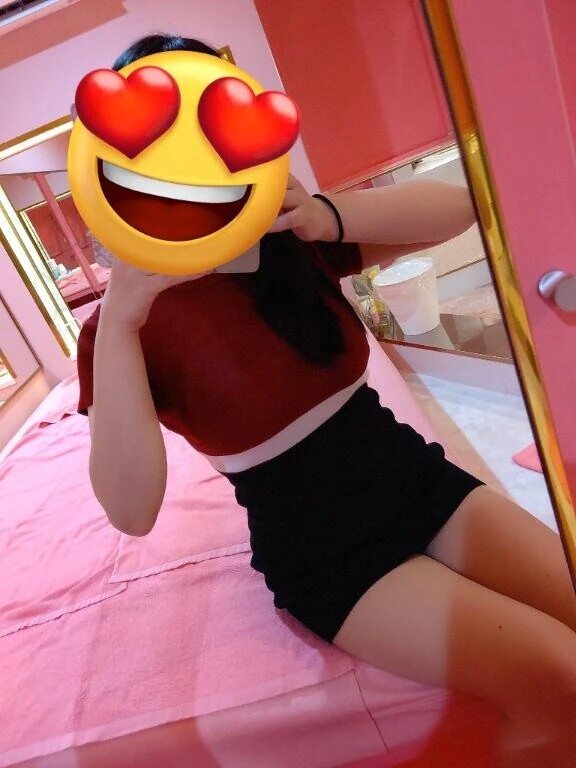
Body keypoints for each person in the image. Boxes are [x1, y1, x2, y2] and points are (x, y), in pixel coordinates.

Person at [77, 34, 576, 768]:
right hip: (328, 553)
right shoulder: (123, 325)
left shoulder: (285, 244)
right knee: (558, 674)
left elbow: (460, 208)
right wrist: (122, 320)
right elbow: (131, 510)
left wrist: (324, 215)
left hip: (415, 479)